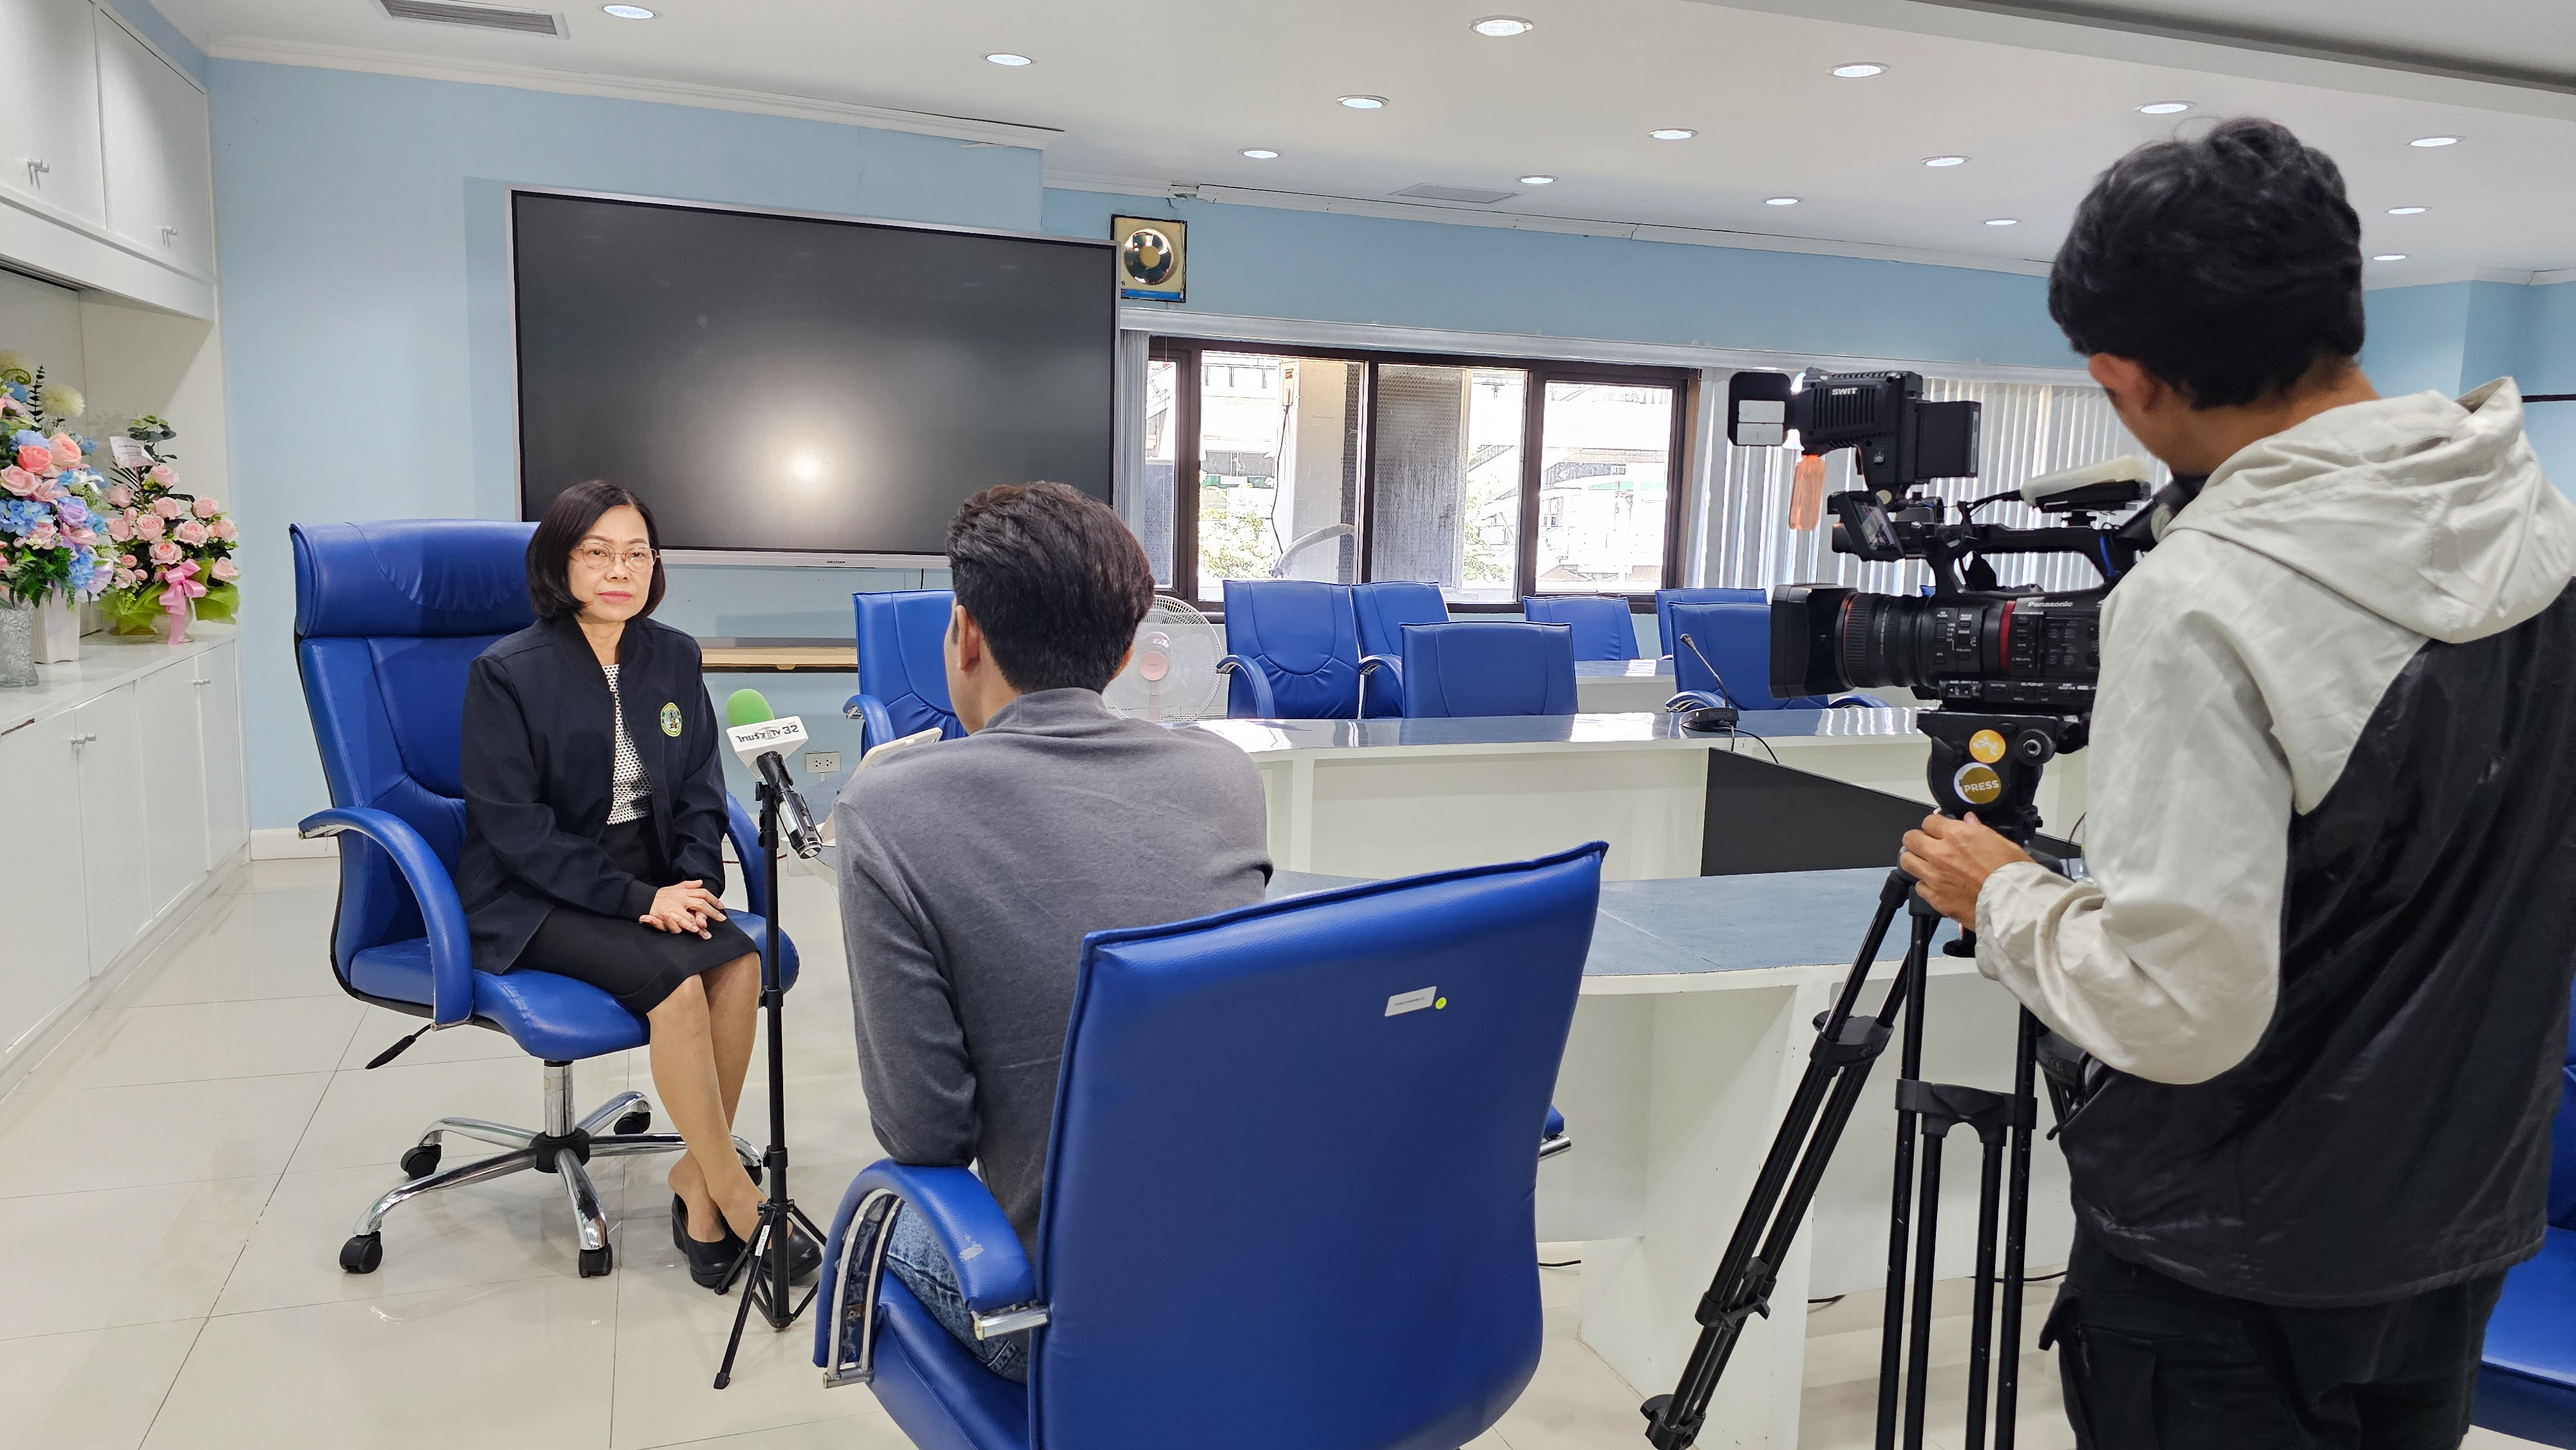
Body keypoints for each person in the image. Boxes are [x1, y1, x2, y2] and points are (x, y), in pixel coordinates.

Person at [1899, 118, 2576, 1447]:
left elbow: (2179, 1008)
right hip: (2459, 1215)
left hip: (2231, 1257)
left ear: (2125, 378)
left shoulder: (2205, 595)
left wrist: (2004, 896)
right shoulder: (2533, 520)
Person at [832, 481, 1271, 1382]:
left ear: (965, 635)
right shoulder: (1224, 776)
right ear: (1126, 652)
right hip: (1255, 1265)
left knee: (873, 1229)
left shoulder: (888, 809)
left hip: (1061, 1319)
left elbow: (925, 1134)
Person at [459, 480, 814, 1290]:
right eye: (597, 553)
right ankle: (735, 1194)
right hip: (534, 890)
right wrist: (640, 900)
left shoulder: (673, 654)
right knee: (677, 986)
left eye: (637, 553)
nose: (620, 570)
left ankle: (697, 1176)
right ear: (560, 562)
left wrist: (693, 879)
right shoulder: (505, 672)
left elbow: (699, 789)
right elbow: (514, 828)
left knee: (739, 960)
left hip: (650, 876)